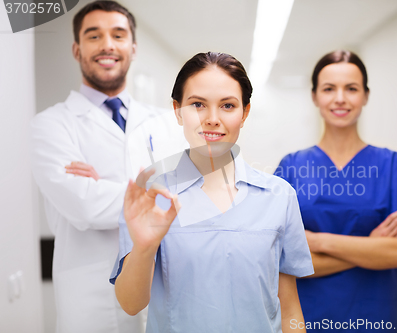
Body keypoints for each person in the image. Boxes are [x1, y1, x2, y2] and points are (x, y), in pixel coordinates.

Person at [110, 52, 314, 332]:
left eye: (228, 106)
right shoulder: (150, 197)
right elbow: (131, 305)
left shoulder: (279, 196)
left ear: (245, 113)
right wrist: (145, 247)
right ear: (177, 110)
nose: (212, 119)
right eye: (198, 105)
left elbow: (289, 305)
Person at [30, 1, 183, 332]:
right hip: (90, 302)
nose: (108, 45)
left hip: (163, 290)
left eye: (118, 34)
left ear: (133, 47)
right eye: (94, 36)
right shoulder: (50, 125)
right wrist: (155, 193)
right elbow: (84, 207)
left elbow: (189, 196)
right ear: (76, 48)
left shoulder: (165, 122)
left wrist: (103, 187)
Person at [274, 50, 397, 332]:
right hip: (309, 320)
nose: (340, 98)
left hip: (376, 320)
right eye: (329, 88)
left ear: (366, 96)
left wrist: (317, 242)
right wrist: (370, 247)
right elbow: (282, 259)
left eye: (352, 88)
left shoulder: (392, 164)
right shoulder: (292, 166)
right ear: (314, 96)